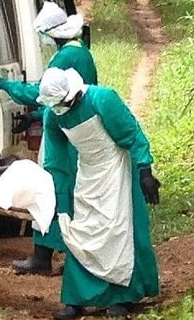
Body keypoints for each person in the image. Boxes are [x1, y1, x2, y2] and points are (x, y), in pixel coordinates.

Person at [0, 1, 97, 275]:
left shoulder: (66, 57)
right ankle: (54, 254)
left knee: (51, 190)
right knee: (63, 190)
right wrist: (35, 118)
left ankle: (45, 257)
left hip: (62, 135)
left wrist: (2, 83)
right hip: (70, 127)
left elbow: (41, 92)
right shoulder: (80, 52)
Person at [36, 67, 160, 320]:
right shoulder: (53, 115)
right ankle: (76, 299)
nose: (60, 109)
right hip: (88, 173)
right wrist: (59, 197)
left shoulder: (102, 99)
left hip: (116, 168)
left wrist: (144, 170)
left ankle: (122, 296)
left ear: (74, 94)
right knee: (82, 231)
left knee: (119, 232)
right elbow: (56, 159)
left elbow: (132, 134)